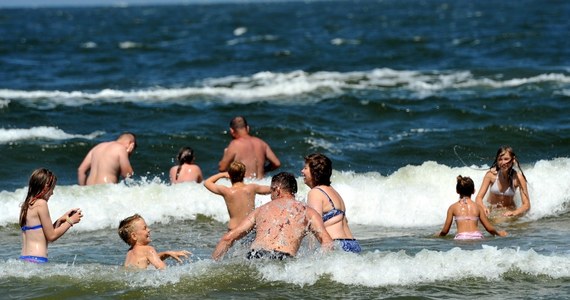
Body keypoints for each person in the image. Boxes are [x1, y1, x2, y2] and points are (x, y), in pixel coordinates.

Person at [212, 172, 333, 261]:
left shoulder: (260, 210)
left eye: (271, 191)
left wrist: (214, 264)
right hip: (283, 260)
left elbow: (228, 239)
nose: (271, 195)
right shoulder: (308, 212)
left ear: (277, 190)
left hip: (254, 257)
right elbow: (327, 242)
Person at [19, 168, 83, 263]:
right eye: (52, 189)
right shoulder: (41, 203)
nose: (52, 193)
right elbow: (51, 236)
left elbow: (40, 235)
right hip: (38, 260)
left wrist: (60, 220)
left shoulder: (26, 205)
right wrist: (70, 222)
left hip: (24, 259)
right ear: (45, 187)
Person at [302, 153, 361, 253]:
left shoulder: (315, 192)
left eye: (305, 168)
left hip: (337, 245)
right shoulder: (334, 192)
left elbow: (315, 225)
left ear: (314, 171)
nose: (302, 171)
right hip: (353, 244)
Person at [204, 161, 271, 230]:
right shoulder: (251, 188)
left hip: (234, 228)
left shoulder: (227, 191)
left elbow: (207, 183)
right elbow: (271, 189)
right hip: (249, 227)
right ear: (244, 174)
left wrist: (222, 175)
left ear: (229, 175)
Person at [439, 175, 508, 240]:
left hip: (461, 237)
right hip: (477, 237)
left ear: (457, 191)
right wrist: (499, 233)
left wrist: (438, 235)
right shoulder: (478, 207)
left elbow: (445, 231)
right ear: (473, 191)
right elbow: (489, 228)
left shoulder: (452, 207)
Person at [475, 146, 530, 221]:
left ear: (513, 160)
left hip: (509, 211)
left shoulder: (518, 178)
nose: (503, 162)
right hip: (491, 210)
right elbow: (478, 198)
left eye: (506, 159)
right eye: (500, 159)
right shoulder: (491, 175)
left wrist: (514, 213)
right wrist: (483, 207)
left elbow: (526, 205)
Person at [118, 214, 191, 270]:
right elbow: (164, 270)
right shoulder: (149, 249)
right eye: (145, 228)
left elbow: (146, 260)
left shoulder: (129, 253)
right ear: (134, 236)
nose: (149, 230)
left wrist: (166, 254)